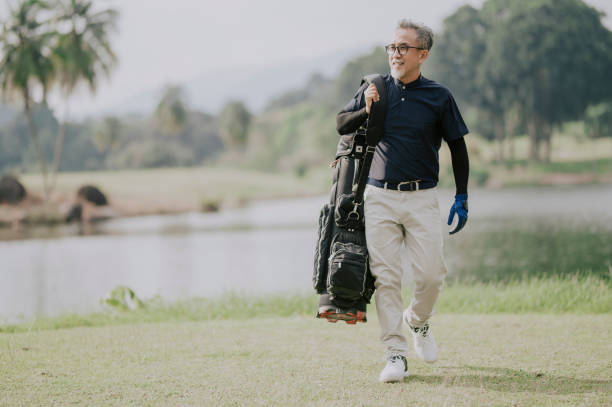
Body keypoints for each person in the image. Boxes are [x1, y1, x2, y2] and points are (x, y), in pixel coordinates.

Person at [336, 19, 470, 383]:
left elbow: (457, 145)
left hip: (422, 197)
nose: (395, 53)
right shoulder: (374, 87)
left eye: (403, 48)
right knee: (387, 278)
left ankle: (418, 321)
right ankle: (395, 353)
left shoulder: (439, 96)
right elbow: (341, 123)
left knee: (431, 275)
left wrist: (462, 195)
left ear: (422, 54)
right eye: (392, 47)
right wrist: (365, 109)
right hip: (379, 197)